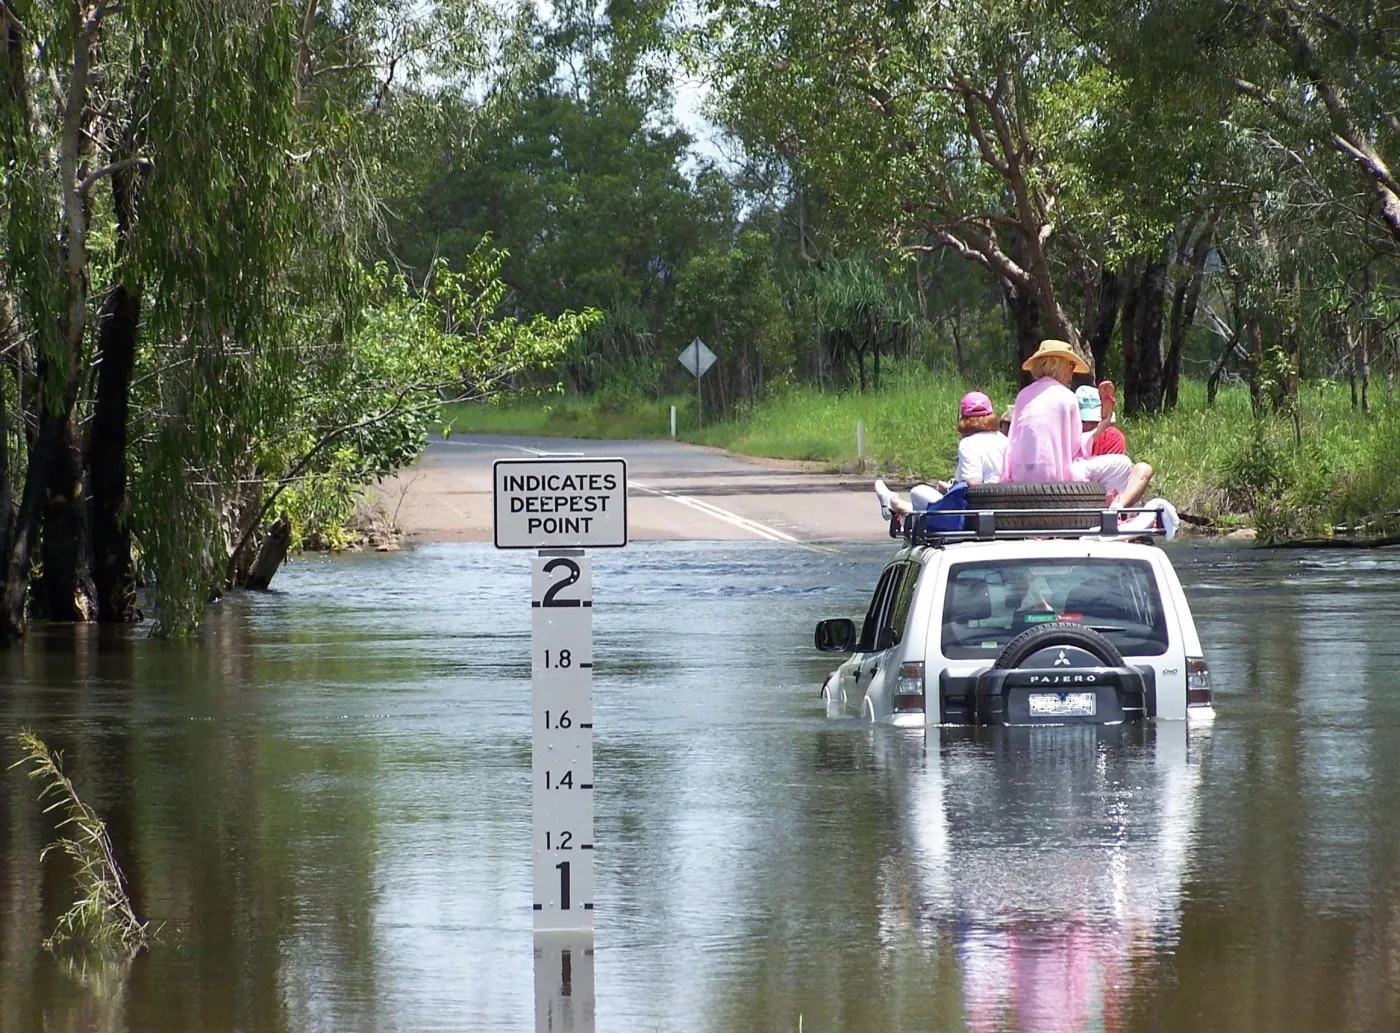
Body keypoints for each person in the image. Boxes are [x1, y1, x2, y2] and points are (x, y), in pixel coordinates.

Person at [1002, 340, 1153, 507]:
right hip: (1056, 480)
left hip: (1020, 478)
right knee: (1122, 464)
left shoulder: (1023, 395)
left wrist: (1102, 426)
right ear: (1058, 365)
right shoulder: (1067, 398)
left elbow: (1013, 441)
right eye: (1071, 365)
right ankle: (1109, 513)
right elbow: (1074, 450)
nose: (1072, 372)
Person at [873, 390, 1008, 518]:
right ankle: (895, 505)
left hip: (974, 512)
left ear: (963, 418)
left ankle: (894, 504)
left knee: (918, 491)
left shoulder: (968, 444)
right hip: (1004, 507)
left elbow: (974, 486)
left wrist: (949, 490)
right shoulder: (1004, 440)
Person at [1075, 384, 1127, 456]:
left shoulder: (1113, 438)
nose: (1089, 426)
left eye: (1095, 421)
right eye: (1083, 421)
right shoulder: (1065, 436)